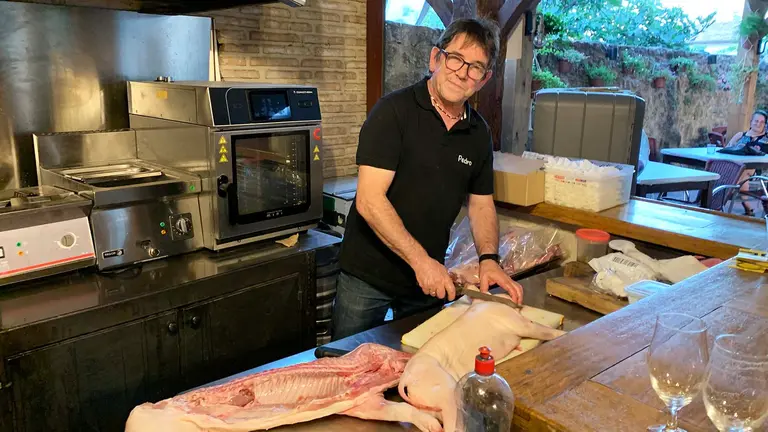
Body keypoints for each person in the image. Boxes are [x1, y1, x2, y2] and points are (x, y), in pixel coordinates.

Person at [331, 18, 524, 341]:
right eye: (456, 59)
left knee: (417, 366)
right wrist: (421, 261)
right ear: (435, 58)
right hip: (368, 276)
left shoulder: (478, 134)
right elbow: (369, 200)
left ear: (485, 79)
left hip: (427, 281)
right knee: (349, 366)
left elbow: (480, 204)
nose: (462, 72)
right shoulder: (393, 112)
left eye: (475, 67)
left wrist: (489, 260)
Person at [725, 109, 768, 216]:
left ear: (765, 125)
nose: (758, 124)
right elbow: (726, 150)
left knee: (741, 172)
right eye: (756, 121)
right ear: (751, 121)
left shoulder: (766, 140)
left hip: (756, 171)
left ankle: (719, 201)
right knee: (736, 171)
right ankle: (747, 208)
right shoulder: (740, 135)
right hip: (734, 167)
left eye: (762, 122)